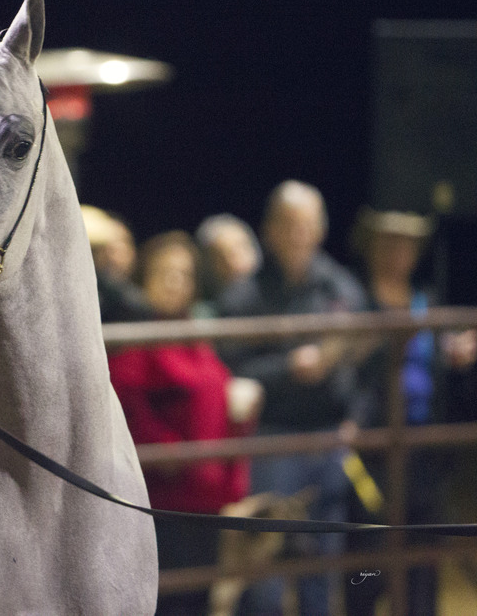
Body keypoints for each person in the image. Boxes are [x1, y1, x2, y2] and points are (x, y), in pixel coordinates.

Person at [217, 180, 368, 616]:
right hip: (271, 437)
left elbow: (366, 366)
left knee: (322, 559)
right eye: (288, 223)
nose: (298, 232)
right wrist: (289, 368)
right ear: (269, 230)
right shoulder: (243, 295)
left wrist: (354, 418)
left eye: (307, 223)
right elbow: (227, 369)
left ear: (320, 229)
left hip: (328, 436)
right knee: (265, 562)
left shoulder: (343, 289)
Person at [107, 230, 261, 616]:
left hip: (205, 503)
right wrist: (173, 454)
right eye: (164, 272)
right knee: (168, 600)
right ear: (145, 279)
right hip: (164, 503)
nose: (175, 281)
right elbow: (126, 410)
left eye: (184, 274)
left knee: (198, 599)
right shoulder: (136, 343)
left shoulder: (197, 339)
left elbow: (223, 407)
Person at [346, 206, 476, 615]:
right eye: (388, 243)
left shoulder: (426, 301)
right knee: (369, 553)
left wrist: (452, 352)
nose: (398, 253)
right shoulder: (353, 299)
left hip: (424, 444)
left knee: (423, 548)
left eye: (406, 245)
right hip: (371, 448)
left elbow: (436, 365)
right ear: (371, 248)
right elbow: (350, 368)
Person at [80, 204, 148, 322]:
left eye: (122, 245)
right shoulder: (81, 291)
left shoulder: (136, 303)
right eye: (101, 248)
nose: (112, 255)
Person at [195, 213, 261, 316]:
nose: (232, 262)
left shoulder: (276, 294)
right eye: (221, 256)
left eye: (240, 250)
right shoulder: (202, 312)